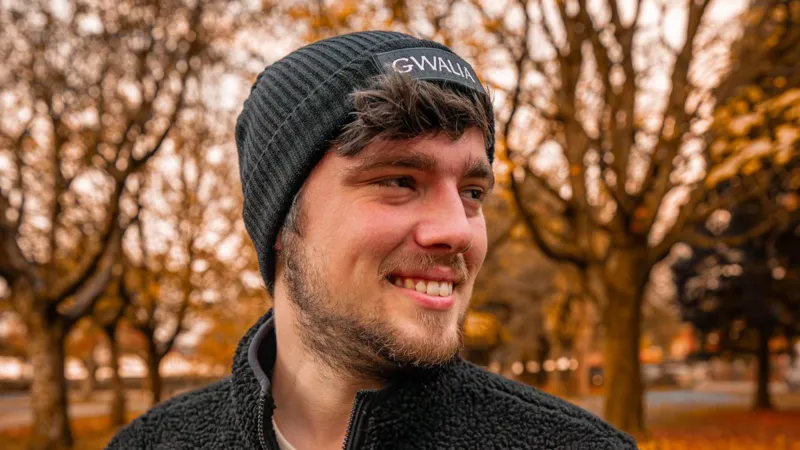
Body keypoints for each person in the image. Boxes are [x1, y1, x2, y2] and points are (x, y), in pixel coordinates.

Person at [106, 30, 636, 450]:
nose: (457, 229)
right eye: (400, 181)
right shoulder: (152, 443)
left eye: (472, 192)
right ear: (282, 225)